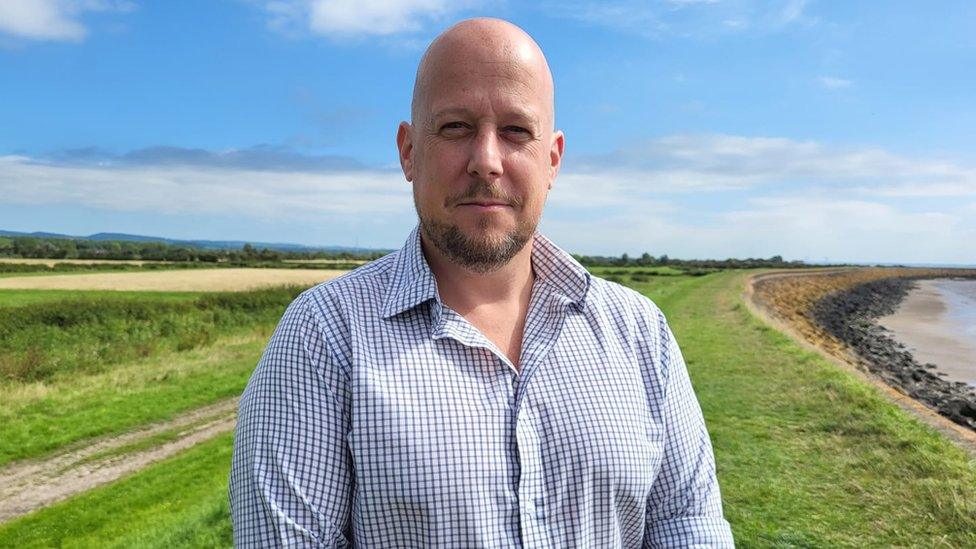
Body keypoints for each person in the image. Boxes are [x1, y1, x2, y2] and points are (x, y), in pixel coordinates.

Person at [230, 17, 734, 548]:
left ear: (553, 159)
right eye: (455, 127)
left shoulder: (639, 332)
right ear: (408, 151)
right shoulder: (324, 335)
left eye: (516, 131)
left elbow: (687, 523)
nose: (486, 161)